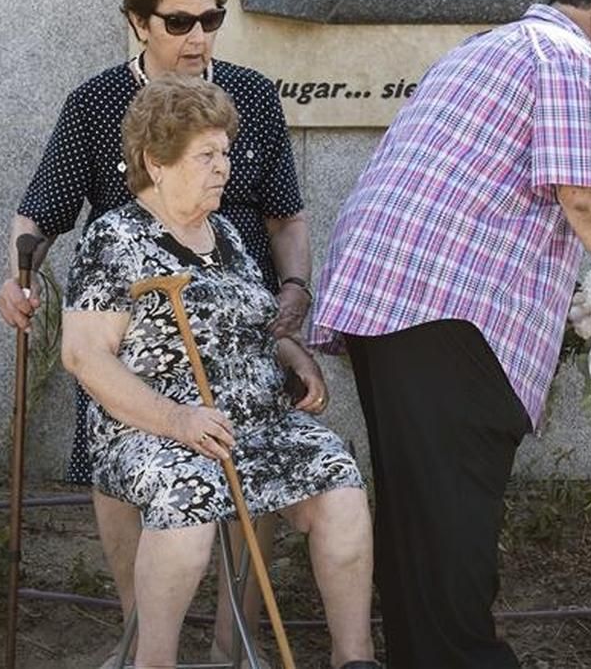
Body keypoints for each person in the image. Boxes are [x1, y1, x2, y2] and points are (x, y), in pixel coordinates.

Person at [311, 0, 591, 668]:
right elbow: (589, 197)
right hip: (446, 314)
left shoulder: (486, 49)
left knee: (422, 526)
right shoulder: (565, 54)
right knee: (453, 528)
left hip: (393, 304)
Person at [0, 0, 311, 665]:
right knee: (117, 464)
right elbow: (40, 209)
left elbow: (286, 214)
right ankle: (141, 639)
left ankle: (237, 643)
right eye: (179, 21)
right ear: (138, 21)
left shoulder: (253, 98)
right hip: (129, 334)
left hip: (236, 324)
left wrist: (294, 287)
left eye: (212, 18)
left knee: (250, 461)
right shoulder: (97, 102)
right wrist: (20, 271)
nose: (198, 36)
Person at [60, 76, 377, 669]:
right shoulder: (115, 238)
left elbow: (252, 325)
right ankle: (154, 660)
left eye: (225, 152)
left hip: (251, 424)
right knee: (188, 493)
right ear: (157, 161)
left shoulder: (226, 234)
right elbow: (84, 355)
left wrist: (294, 356)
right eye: (206, 154)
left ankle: (353, 658)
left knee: (336, 475)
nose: (223, 167)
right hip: (151, 432)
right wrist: (178, 419)